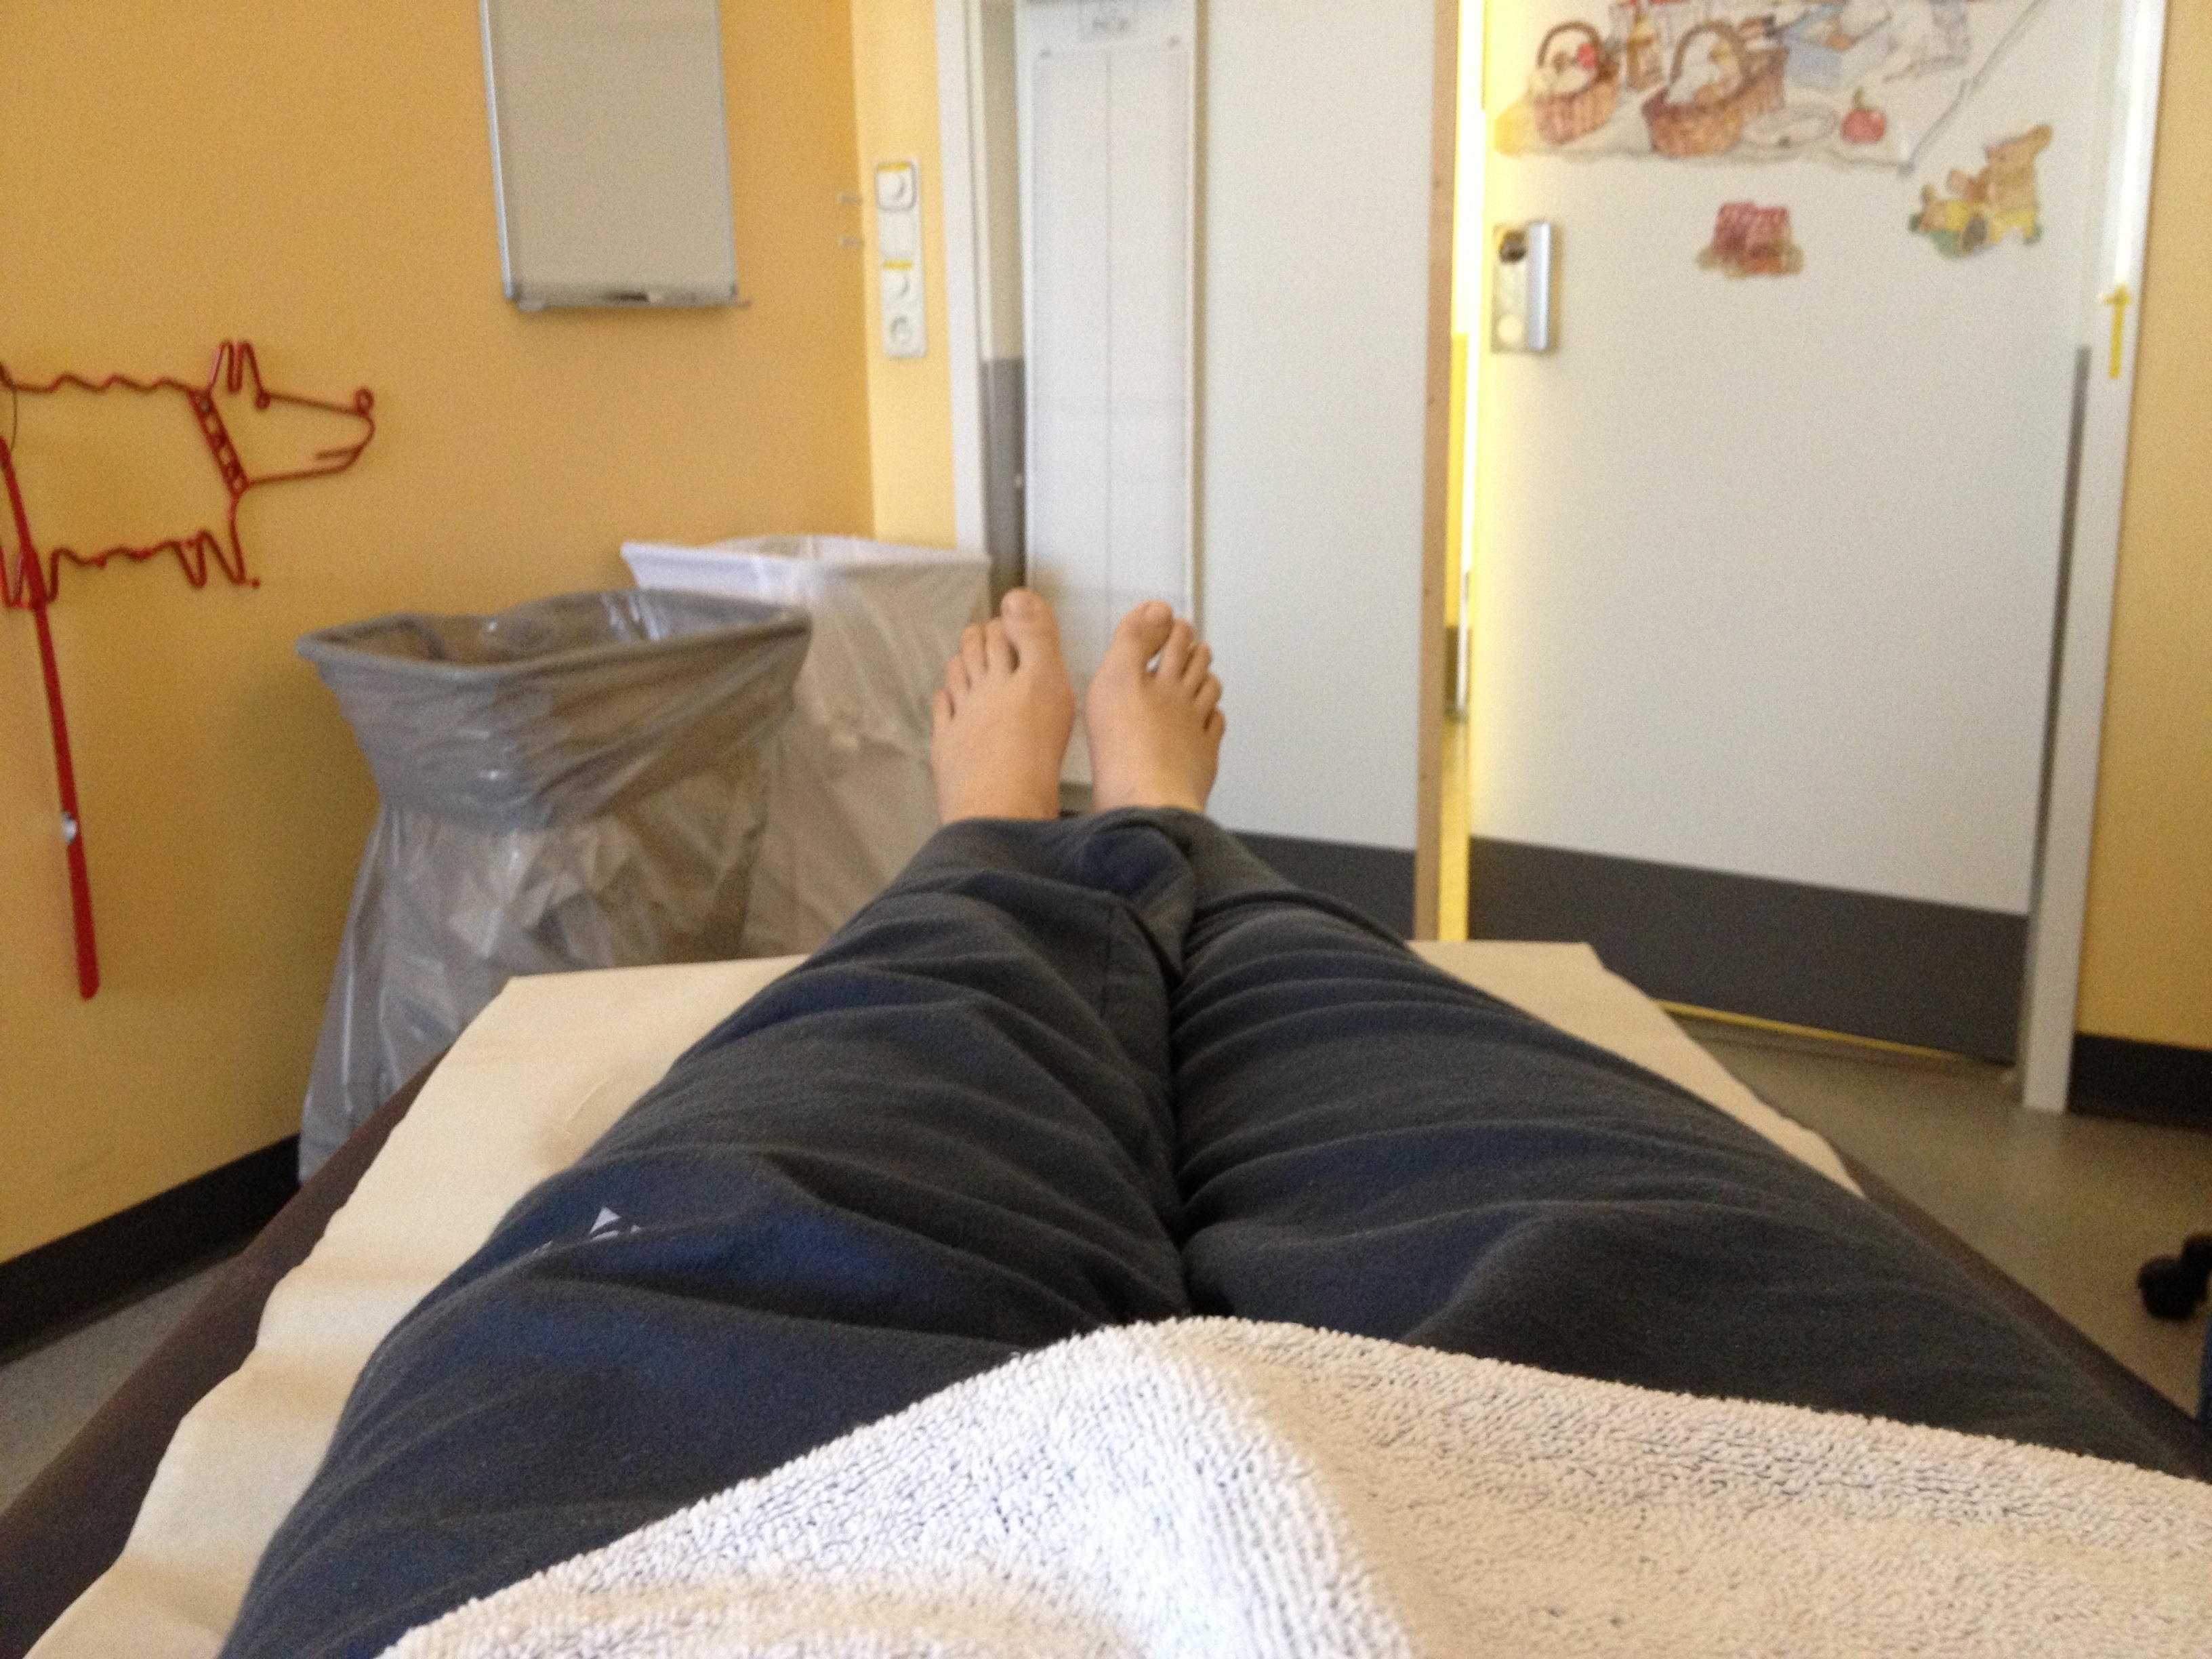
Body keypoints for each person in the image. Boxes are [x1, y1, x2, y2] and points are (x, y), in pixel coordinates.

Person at [222, 594, 2183, 1659]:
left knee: (895, 1042)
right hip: (1906, 1537)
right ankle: (1180, 848)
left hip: (575, 1574)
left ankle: (998, 852)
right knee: (1351, 1011)